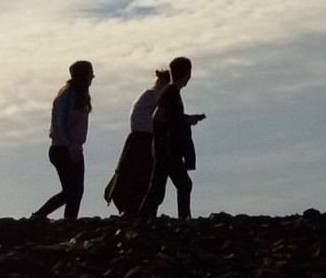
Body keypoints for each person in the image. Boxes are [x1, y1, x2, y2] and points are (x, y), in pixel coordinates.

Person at [136, 56, 205, 220]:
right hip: (168, 149)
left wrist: (187, 119)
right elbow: (160, 118)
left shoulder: (171, 92)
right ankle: (183, 219)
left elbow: (167, 117)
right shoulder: (171, 93)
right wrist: (185, 121)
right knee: (182, 185)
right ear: (188, 73)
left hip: (164, 148)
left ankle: (142, 219)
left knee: (158, 189)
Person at [30, 60, 93, 221]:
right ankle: (39, 215)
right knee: (71, 190)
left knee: (76, 191)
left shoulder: (79, 95)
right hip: (63, 149)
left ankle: (69, 221)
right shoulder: (68, 95)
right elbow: (62, 123)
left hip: (74, 148)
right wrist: (72, 148)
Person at [102, 69, 168, 215]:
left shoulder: (149, 94)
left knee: (135, 174)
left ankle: (135, 208)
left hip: (139, 138)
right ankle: (138, 209)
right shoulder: (156, 96)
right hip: (145, 139)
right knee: (143, 176)